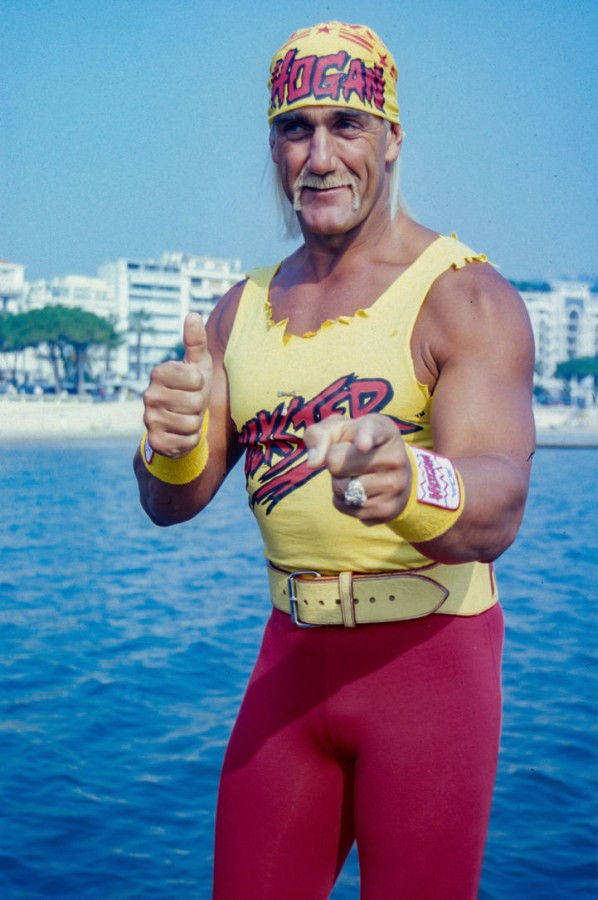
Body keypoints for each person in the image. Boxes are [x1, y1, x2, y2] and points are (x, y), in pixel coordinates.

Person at [134, 21, 535, 899]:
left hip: (431, 671)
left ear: (391, 139)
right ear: (273, 145)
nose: (319, 157)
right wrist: (169, 447)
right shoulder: (240, 310)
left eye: (346, 124)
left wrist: (412, 482)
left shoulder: (464, 296)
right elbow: (172, 504)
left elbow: (500, 499)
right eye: (295, 128)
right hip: (290, 660)